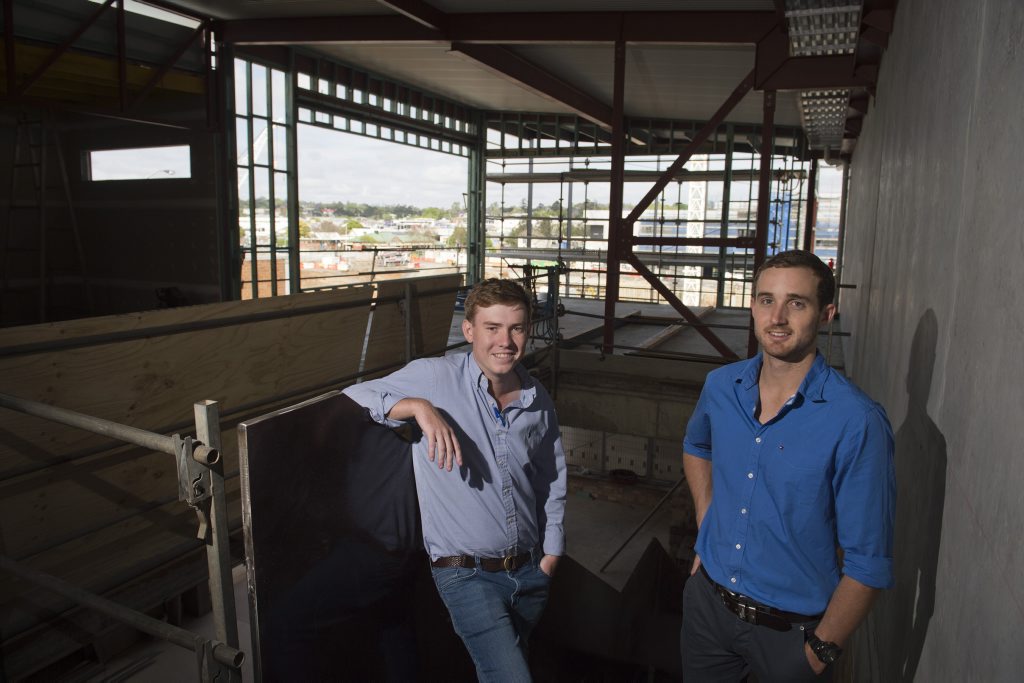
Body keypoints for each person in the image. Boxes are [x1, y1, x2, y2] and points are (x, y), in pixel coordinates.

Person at [681, 250, 895, 682]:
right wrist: (708, 523)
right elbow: (695, 444)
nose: (777, 317)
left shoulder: (856, 421)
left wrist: (819, 651)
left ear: (826, 314)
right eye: (765, 300)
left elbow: (868, 561)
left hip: (791, 638)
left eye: (796, 303)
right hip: (708, 613)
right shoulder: (721, 387)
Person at [343, 277, 566, 682]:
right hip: (466, 574)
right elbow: (354, 395)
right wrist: (416, 406)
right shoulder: (435, 377)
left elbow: (551, 477)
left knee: (509, 666)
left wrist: (551, 554)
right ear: (469, 331)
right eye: (492, 328)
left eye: (516, 328)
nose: (506, 341)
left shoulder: (537, 399)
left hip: (530, 572)